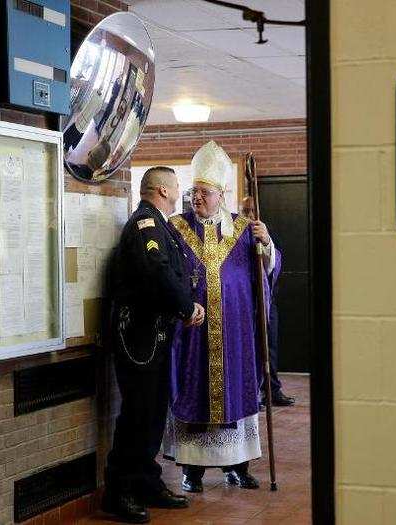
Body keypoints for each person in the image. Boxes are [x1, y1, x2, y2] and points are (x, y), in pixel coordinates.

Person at [163, 141, 281, 493]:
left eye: (204, 192)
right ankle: (192, 471)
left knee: (236, 393)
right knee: (193, 392)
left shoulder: (245, 229)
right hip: (193, 333)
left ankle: (237, 466)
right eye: (193, 191)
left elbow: (268, 272)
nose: (196, 198)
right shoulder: (176, 228)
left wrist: (267, 245)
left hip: (235, 334)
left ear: (221, 194)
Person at [103, 166, 206, 524]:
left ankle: (146, 482)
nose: (181, 190)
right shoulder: (145, 224)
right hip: (139, 338)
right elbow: (157, 271)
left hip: (155, 335)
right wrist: (185, 306)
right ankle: (120, 493)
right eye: (177, 184)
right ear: (162, 190)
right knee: (138, 415)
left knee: (153, 415)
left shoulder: (159, 224)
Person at [240, 196, 295, 407]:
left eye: (253, 210)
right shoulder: (234, 233)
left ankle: (273, 389)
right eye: (245, 211)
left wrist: (264, 242)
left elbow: (275, 263)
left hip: (267, 300)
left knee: (269, 346)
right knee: (250, 347)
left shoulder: (266, 233)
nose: (250, 215)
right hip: (245, 302)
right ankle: (252, 393)